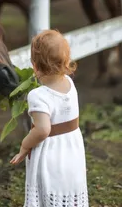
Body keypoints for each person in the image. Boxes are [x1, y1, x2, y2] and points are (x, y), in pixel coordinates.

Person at [10, 29, 89, 207]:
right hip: (73, 151)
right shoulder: (70, 84)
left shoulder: (38, 95)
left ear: (34, 66)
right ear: (66, 61)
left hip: (51, 154)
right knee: (68, 187)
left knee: (50, 190)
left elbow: (43, 130)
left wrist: (25, 145)